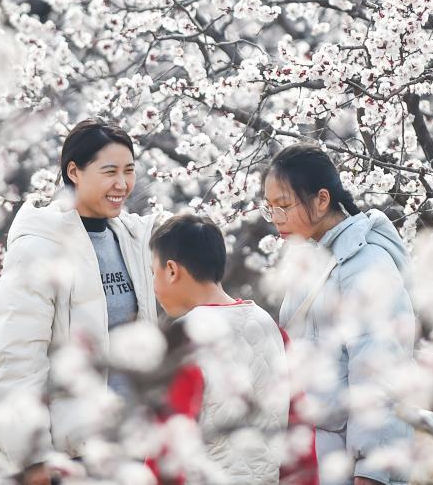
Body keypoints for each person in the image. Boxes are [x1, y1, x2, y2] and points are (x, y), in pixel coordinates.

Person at [0, 120, 159, 485]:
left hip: (131, 444)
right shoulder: (39, 247)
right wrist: (30, 458)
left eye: (129, 171)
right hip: (71, 454)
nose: (122, 184)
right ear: (74, 172)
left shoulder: (131, 239)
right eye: (109, 172)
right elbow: (16, 358)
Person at [264, 143, 416, 485]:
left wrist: (372, 472)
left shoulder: (367, 265)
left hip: (348, 466)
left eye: (284, 206)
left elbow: (380, 372)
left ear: (321, 200)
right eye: (270, 208)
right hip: (314, 457)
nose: (276, 219)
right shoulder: (313, 259)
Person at [149, 213, 318, 485]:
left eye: (152, 272)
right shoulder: (272, 329)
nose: (153, 286)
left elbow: (167, 451)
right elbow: (299, 436)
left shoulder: (184, 338)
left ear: (171, 270)